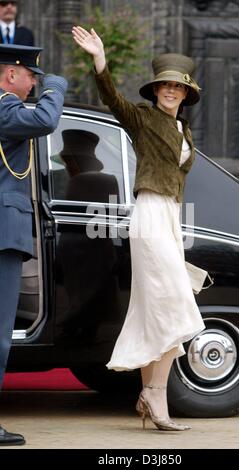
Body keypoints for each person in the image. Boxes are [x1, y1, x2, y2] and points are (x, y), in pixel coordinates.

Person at [72, 25, 205, 432]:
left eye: (177, 88)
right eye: (165, 86)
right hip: (148, 214)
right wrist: (100, 61)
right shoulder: (143, 119)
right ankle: (154, 394)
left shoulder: (185, 130)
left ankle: (153, 403)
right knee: (179, 305)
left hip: (170, 217)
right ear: (156, 90)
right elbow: (112, 99)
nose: (170, 92)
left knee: (155, 309)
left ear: (185, 95)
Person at [0, 43, 67, 445]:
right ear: (11, 75)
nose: (34, 85)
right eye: (32, 77)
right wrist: (56, 87)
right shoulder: (5, 107)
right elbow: (45, 119)